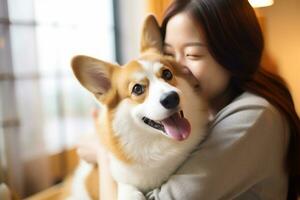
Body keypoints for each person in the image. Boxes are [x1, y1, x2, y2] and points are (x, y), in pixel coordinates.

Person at [76, 0, 300, 199]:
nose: (176, 68)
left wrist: (103, 156)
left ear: (232, 53)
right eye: (169, 55)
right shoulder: (212, 110)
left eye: (192, 54)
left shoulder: (253, 117)